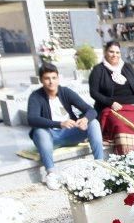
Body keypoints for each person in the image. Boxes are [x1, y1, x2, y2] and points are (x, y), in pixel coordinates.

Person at [27, 62, 104, 190]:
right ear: (41, 80)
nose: (51, 82)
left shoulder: (65, 92)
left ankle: (100, 165)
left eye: (54, 78)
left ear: (58, 78)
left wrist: (85, 119)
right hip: (50, 136)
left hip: (70, 134)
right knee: (40, 132)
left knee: (93, 122)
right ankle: (51, 174)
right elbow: (32, 119)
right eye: (47, 78)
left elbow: (91, 110)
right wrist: (59, 124)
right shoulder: (36, 96)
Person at [89, 41, 134, 154]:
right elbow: (94, 92)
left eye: (117, 52)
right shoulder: (98, 70)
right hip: (113, 109)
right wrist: (110, 102)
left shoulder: (128, 67)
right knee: (121, 127)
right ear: (105, 52)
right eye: (111, 52)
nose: (114, 55)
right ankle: (128, 158)